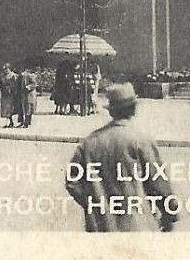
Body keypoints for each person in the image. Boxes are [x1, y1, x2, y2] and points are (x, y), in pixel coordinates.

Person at [63, 83, 178, 232]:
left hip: (100, 226)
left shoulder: (89, 143)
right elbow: (158, 183)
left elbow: (72, 181)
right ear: (134, 109)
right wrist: (170, 214)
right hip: (138, 226)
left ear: (111, 111)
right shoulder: (141, 140)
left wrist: (94, 202)